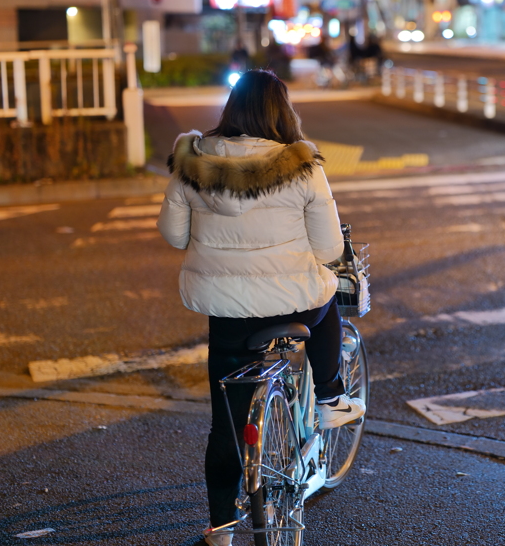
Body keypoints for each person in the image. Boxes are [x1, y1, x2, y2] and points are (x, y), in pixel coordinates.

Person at [156, 70, 366, 546]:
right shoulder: (303, 166)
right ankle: (332, 398)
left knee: (225, 424)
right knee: (327, 291)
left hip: (226, 312)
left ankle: (221, 531)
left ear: (230, 109)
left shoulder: (193, 160)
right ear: (281, 111)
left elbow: (173, 235)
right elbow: (330, 247)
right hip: (292, 302)